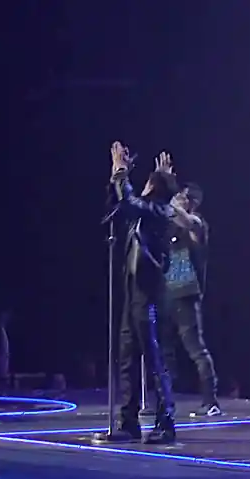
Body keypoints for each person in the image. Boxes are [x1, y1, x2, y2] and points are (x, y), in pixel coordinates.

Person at [94, 144, 179, 446]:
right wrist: (118, 180)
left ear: (155, 189)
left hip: (149, 293)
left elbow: (129, 201)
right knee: (127, 357)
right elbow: (118, 206)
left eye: (148, 182)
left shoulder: (159, 210)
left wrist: (120, 171)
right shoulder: (145, 212)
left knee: (154, 358)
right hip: (133, 292)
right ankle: (128, 422)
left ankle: (165, 422)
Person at [161, 182, 222, 417]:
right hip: (166, 292)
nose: (176, 198)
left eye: (181, 196)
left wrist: (167, 200)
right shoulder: (171, 228)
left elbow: (187, 221)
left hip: (186, 294)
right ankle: (164, 402)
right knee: (164, 351)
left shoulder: (197, 224)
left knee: (196, 349)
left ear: (191, 201)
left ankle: (211, 400)